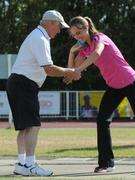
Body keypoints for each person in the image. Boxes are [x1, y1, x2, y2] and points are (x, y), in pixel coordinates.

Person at [65, 16, 135, 173]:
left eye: (79, 32)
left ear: (87, 27)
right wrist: (72, 53)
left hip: (130, 81)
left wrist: (79, 69)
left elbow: (97, 54)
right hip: (114, 86)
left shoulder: (100, 38)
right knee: (102, 120)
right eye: (74, 35)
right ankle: (106, 163)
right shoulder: (84, 48)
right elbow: (73, 73)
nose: (77, 37)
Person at [6, 10, 80, 176]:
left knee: (25, 127)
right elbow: (49, 69)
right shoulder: (40, 38)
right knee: (33, 125)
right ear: (50, 23)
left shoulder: (38, 36)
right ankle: (30, 165)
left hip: (18, 83)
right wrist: (70, 72)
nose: (60, 30)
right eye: (59, 26)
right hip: (23, 84)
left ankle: (21, 164)